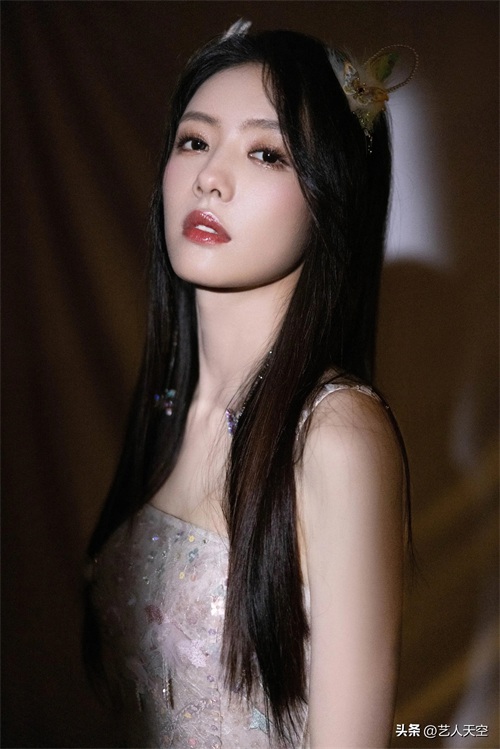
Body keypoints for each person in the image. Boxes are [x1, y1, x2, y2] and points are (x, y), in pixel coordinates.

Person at [85, 20, 415, 749]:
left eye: (266, 152)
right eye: (193, 141)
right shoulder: (172, 407)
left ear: (332, 194)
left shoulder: (334, 435)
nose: (210, 176)